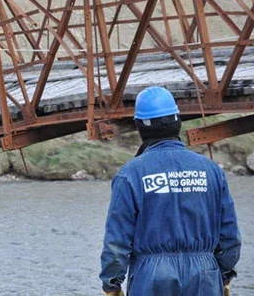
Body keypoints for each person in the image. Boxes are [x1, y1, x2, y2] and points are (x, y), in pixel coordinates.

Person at [99, 86, 241, 296]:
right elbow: (229, 234)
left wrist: (111, 284)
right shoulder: (211, 171)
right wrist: (225, 274)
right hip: (205, 274)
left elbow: (117, 239)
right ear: (177, 121)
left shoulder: (130, 175)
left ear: (140, 127)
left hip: (152, 278)